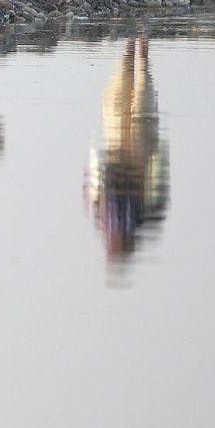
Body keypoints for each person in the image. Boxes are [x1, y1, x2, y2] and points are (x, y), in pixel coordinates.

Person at [84, 37, 170, 266]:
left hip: (120, 143)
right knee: (137, 76)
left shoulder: (101, 214)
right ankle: (139, 40)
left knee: (130, 76)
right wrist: (160, 154)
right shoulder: (147, 217)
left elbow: (91, 178)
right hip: (137, 147)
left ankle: (136, 41)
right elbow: (160, 177)